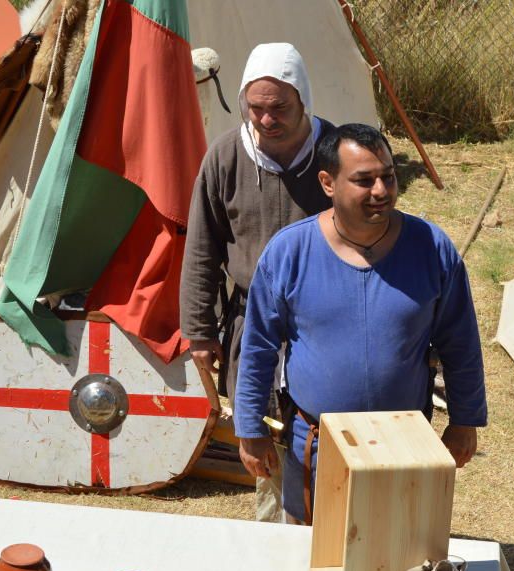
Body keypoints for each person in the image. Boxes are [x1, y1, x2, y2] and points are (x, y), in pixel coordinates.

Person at [232, 123, 486, 524]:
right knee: (311, 554)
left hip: (405, 443)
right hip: (315, 445)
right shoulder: (289, 252)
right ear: (328, 182)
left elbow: (461, 344)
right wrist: (250, 428)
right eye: (364, 180)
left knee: (399, 552)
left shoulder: (431, 249)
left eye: (388, 176)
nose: (381, 191)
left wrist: (465, 419)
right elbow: (258, 347)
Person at [179, 43, 336, 522]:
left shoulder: (337, 151)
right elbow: (203, 248)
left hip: (327, 319)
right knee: (263, 436)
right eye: (257, 108)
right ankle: (276, 533)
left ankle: (333, 527)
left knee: (328, 437)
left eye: (280, 108)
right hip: (255, 321)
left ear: (303, 99)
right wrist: (200, 330)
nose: (267, 120)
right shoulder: (226, 156)